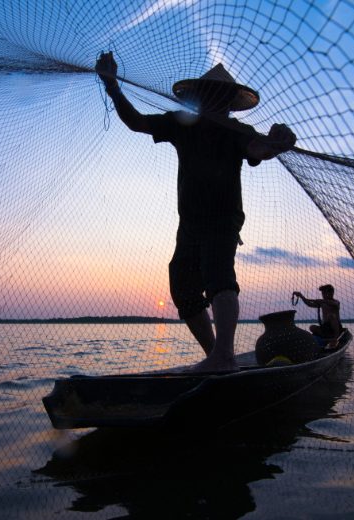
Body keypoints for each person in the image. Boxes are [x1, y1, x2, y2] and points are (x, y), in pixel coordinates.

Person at [96, 52, 296, 371]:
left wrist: (276, 143)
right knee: (183, 287)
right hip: (189, 224)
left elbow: (258, 149)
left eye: (221, 95)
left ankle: (224, 356)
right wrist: (112, 87)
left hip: (221, 220)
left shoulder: (236, 131)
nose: (213, 98)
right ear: (200, 95)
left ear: (229, 101)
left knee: (219, 278)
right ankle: (217, 354)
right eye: (208, 92)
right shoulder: (182, 124)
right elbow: (136, 122)